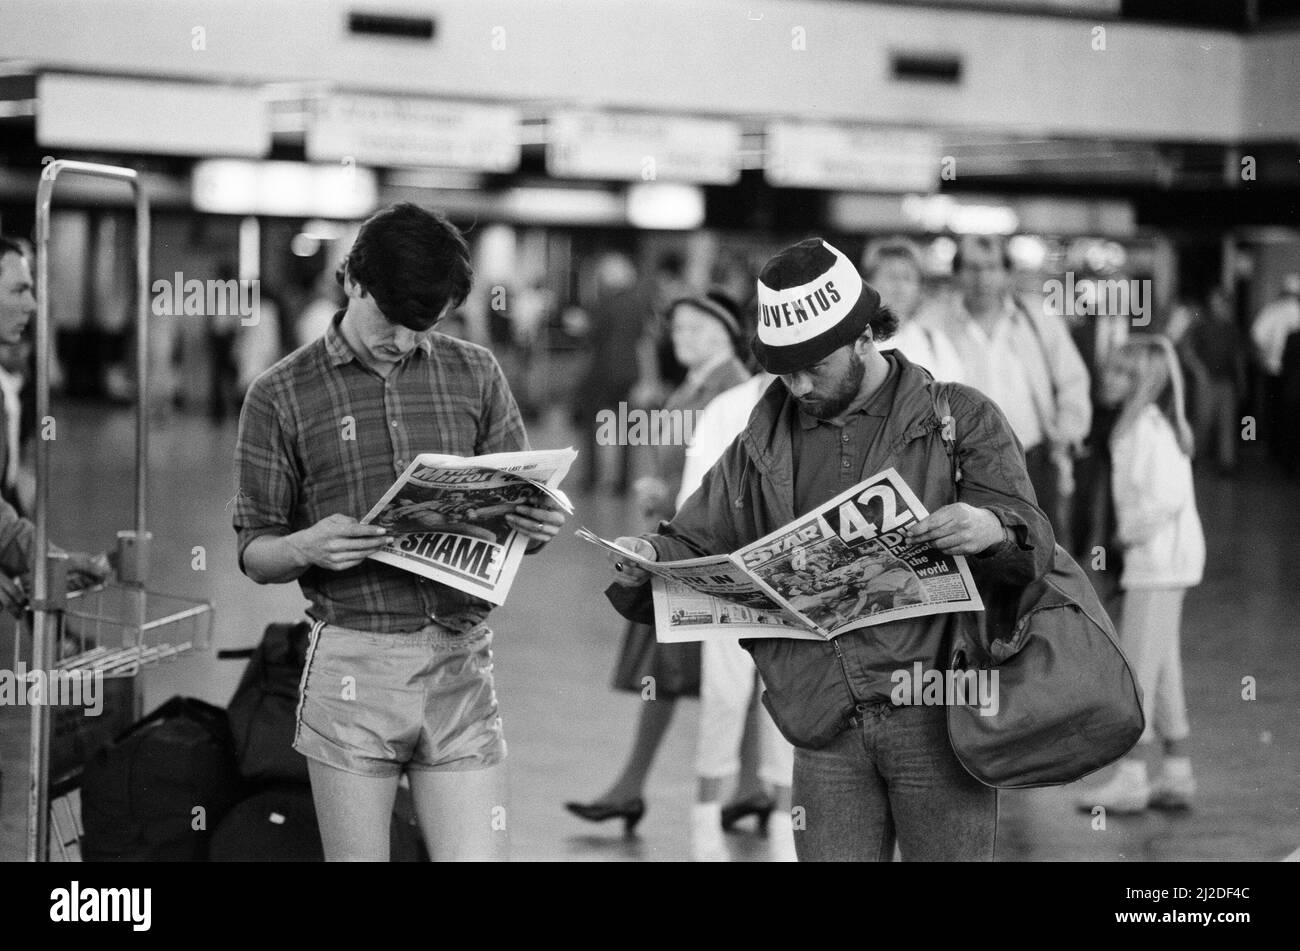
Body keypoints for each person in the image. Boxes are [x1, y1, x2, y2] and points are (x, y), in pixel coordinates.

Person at [606, 238, 1055, 861]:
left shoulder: (960, 418)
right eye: (782, 368)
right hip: (823, 728)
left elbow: (1032, 543)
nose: (796, 383)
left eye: (814, 365)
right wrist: (644, 557)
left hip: (938, 721)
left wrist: (992, 529)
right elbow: (691, 542)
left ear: (865, 337)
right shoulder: (759, 446)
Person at [233, 203, 568, 861]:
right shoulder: (279, 394)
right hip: (351, 665)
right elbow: (254, 550)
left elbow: (522, 510)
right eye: (392, 321)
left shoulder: (476, 373)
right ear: (352, 280)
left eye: (427, 325)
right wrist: (305, 545)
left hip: (459, 662)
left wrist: (537, 521)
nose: (407, 340)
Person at [566, 291, 750, 838]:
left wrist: (670, 499)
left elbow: (722, 479)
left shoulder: (732, 389)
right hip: (677, 544)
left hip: (700, 552)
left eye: (693, 328)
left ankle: (646, 787)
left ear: (723, 331)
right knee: (702, 673)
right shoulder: (694, 385)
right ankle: (739, 788)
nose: (680, 338)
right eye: (677, 329)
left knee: (716, 673)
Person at [1074, 336, 1205, 813]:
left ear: (1145, 381)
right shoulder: (1140, 426)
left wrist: (1126, 535)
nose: (1109, 379)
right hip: (1162, 562)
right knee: (1163, 667)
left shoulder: (1147, 428)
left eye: (1123, 373)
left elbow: (1164, 498)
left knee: (1137, 671)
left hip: (1158, 561)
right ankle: (1176, 770)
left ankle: (1130, 777)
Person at [672, 366, 798, 862]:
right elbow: (693, 499)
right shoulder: (730, 407)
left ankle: (786, 821)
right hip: (732, 578)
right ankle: (704, 818)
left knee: (788, 699)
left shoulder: (821, 408)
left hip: (796, 581)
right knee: (723, 694)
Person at [914, 235, 1091, 550]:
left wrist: (1066, 433)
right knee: (982, 554)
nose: (982, 278)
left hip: (1035, 458)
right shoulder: (932, 323)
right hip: (967, 464)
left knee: (1047, 552)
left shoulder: (1035, 318)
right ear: (956, 274)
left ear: (1007, 273)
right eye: (971, 268)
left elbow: (1072, 379)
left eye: (991, 267)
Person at [863, 238, 964, 383]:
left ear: (920, 288)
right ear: (868, 284)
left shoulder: (935, 343)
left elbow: (954, 399)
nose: (899, 286)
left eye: (907, 277)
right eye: (891, 276)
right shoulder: (855, 342)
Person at [1187, 287, 1247, 475]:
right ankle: (1194, 457)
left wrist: (1242, 382)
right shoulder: (1201, 326)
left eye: (1223, 302)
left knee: (1227, 422)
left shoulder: (1232, 329)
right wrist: (1199, 372)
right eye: (1217, 302)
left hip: (1226, 381)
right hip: (1206, 382)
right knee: (1202, 421)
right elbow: (1188, 352)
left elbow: (1238, 358)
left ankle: (1227, 463)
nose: (1221, 306)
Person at [1250, 273, 1300, 474]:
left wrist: (1267, 355)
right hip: (1296, 374)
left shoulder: (1272, 310)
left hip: (1274, 371)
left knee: (1275, 413)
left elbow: (1257, 336)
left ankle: (1276, 454)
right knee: (1293, 418)